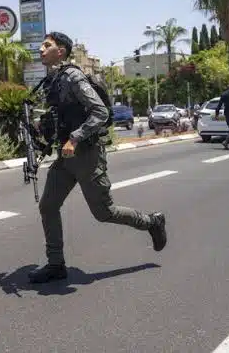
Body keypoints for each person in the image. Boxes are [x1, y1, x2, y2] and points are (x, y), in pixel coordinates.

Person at [28, 31, 167, 284]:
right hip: (65, 156)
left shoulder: (72, 76)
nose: (41, 49)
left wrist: (75, 138)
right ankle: (56, 264)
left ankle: (151, 222)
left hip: (86, 154)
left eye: (46, 46)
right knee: (48, 206)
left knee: (104, 212)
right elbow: (64, 116)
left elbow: (100, 112)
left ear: (61, 51)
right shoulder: (54, 79)